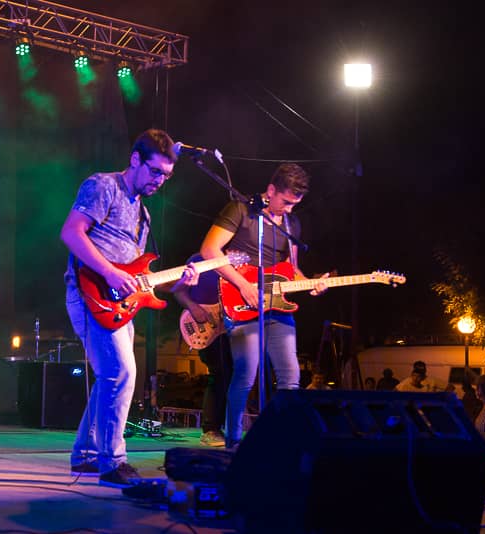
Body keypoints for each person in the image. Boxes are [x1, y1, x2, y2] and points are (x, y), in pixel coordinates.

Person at [61, 129, 199, 488]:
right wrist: (108, 272)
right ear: (135, 160)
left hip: (119, 302)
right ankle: (113, 462)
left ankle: (87, 454)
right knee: (121, 372)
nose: (160, 181)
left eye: (166, 176)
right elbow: (72, 233)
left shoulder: (144, 215)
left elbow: (139, 276)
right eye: (155, 172)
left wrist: (180, 280)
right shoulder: (103, 186)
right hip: (89, 292)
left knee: (111, 375)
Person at [199, 162, 328, 450]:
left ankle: (281, 441)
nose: (290, 209)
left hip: (277, 307)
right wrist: (243, 285)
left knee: (290, 376)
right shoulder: (241, 210)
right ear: (271, 191)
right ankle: (233, 441)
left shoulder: (292, 223)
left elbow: (293, 270)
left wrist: (312, 283)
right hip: (241, 301)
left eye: (296, 203)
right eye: (286, 201)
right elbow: (209, 250)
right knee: (247, 372)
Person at [172, 252, 232, 447]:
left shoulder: (241, 260)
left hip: (232, 326)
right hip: (205, 327)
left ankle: (230, 427)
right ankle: (211, 429)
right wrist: (194, 307)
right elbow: (178, 291)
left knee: (237, 374)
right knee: (220, 373)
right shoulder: (199, 260)